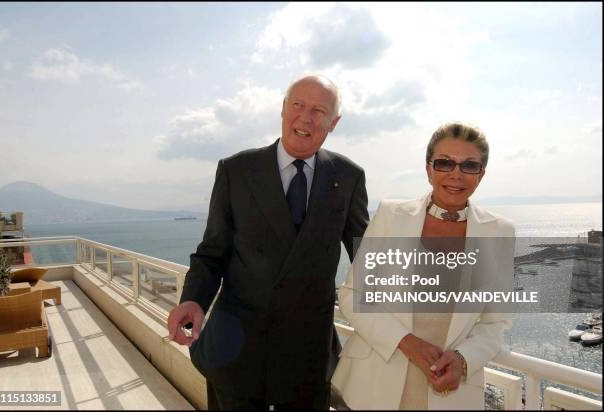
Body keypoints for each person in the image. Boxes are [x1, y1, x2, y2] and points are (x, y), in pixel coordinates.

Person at [167, 75, 369, 410]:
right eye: (298, 105)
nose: (305, 117)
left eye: (319, 110)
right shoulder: (237, 170)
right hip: (236, 351)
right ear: (283, 108)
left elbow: (366, 256)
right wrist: (193, 299)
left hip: (307, 356)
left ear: (334, 122)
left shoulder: (348, 177)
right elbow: (212, 252)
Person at [332, 122, 515, 410]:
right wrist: (406, 342)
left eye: (469, 165)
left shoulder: (500, 232)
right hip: (373, 387)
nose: (456, 174)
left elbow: (495, 322)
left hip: (450, 392)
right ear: (429, 169)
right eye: (444, 163)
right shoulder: (392, 215)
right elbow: (352, 295)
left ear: (481, 173)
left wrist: (464, 360)